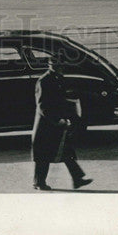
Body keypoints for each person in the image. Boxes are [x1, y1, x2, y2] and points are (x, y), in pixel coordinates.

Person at [31, 53, 91, 192]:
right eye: (58, 66)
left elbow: (61, 101)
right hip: (45, 125)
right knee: (43, 155)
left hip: (57, 123)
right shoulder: (43, 81)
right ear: (51, 66)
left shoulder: (58, 79)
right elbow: (42, 106)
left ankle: (77, 179)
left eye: (62, 65)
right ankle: (38, 182)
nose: (61, 68)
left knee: (66, 151)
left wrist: (71, 117)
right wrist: (57, 120)